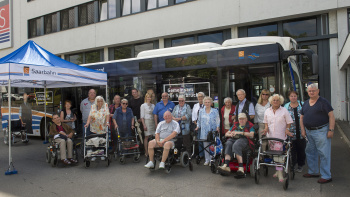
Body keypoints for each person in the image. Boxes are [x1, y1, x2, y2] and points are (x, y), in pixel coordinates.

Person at [300, 83, 335, 184]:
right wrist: (303, 130)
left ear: (318, 91)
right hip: (308, 131)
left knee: (324, 153)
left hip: (321, 131)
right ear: (307, 92)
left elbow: (331, 116)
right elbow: (302, 117)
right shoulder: (306, 103)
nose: (311, 92)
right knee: (310, 152)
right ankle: (313, 171)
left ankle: (326, 176)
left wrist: (331, 130)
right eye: (310, 91)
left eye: (313, 90)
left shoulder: (323, 102)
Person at [263, 94, 293, 182]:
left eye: (277, 100)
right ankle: (277, 171)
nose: (275, 102)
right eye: (274, 100)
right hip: (270, 137)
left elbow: (289, 122)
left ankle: (280, 174)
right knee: (274, 154)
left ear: (280, 101)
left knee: (278, 154)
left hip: (280, 137)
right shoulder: (267, 111)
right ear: (271, 101)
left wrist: (287, 129)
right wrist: (265, 128)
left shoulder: (284, 110)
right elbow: (266, 122)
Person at [284, 90, 306, 173]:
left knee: (301, 149)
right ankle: (292, 165)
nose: (293, 98)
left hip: (301, 131)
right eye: (291, 96)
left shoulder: (302, 104)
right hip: (291, 131)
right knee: (292, 150)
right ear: (289, 97)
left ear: (297, 97)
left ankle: (300, 165)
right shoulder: (286, 106)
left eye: (295, 96)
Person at [195, 96, 220, 165]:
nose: (207, 103)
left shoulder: (215, 111)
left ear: (211, 103)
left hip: (212, 131)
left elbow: (218, 120)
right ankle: (207, 159)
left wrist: (218, 127)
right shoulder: (201, 111)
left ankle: (212, 159)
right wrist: (197, 127)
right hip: (204, 131)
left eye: (208, 102)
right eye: (206, 102)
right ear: (204, 103)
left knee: (212, 146)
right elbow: (199, 121)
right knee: (205, 145)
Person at [192, 92, 205, 158]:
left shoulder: (206, 105)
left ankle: (207, 155)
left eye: (201, 96)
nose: (200, 98)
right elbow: (193, 116)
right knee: (199, 140)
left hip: (205, 125)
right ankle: (201, 154)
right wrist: (196, 123)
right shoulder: (195, 105)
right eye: (199, 97)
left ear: (203, 97)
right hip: (197, 125)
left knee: (205, 140)